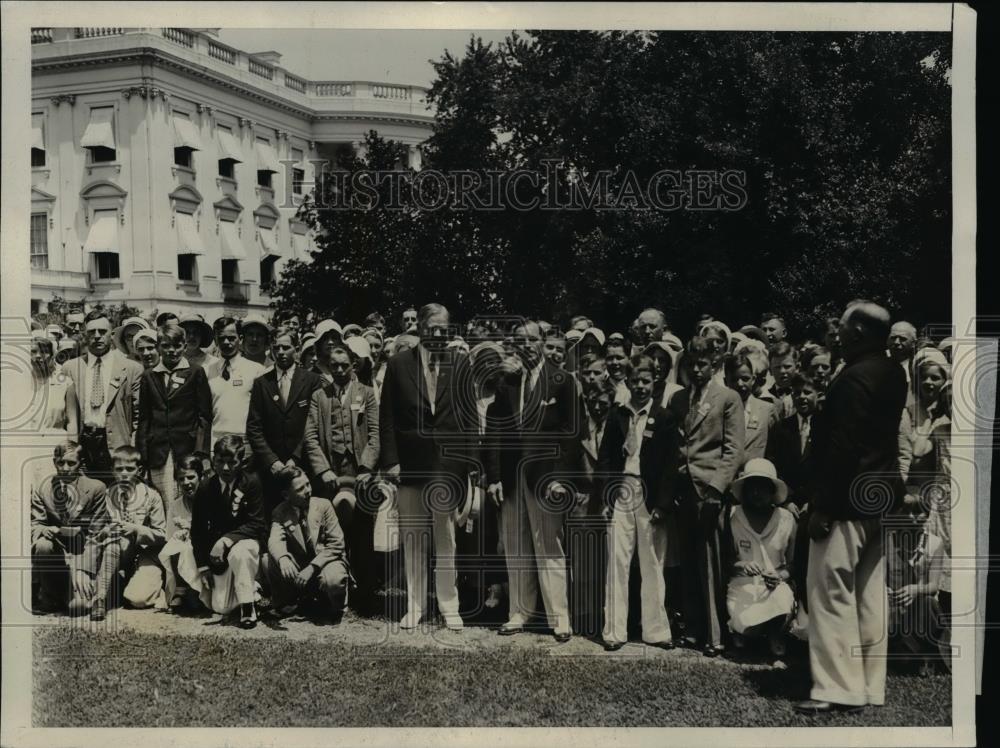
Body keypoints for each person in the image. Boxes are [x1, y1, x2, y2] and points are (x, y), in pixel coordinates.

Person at [794, 301, 907, 715]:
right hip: (880, 497)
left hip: (846, 502)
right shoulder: (894, 372)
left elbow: (842, 448)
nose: (836, 333)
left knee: (830, 592)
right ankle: (870, 686)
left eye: (841, 326)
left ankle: (839, 688)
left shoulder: (852, 378)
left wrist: (823, 506)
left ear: (857, 331)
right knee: (869, 594)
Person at [486, 319, 584, 642]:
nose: (526, 346)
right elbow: (496, 432)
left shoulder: (562, 381)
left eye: (531, 340)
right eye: (519, 341)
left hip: (545, 478)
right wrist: (495, 477)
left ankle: (560, 618)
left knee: (549, 547)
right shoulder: (507, 383)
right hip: (512, 478)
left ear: (543, 341)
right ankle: (519, 612)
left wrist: (561, 478)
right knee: (515, 547)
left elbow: (572, 434)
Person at [379, 303, 474, 631]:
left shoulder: (461, 364)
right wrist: (390, 461)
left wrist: (467, 467)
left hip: (448, 466)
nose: (437, 334)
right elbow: (387, 418)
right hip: (410, 465)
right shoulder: (398, 364)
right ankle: (415, 605)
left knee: (445, 538)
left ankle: (449, 606)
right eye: (431, 327)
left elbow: (469, 420)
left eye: (443, 328)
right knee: (413, 537)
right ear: (418, 326)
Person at [595, 354, 679, 651]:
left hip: (650, 495)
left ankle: (655, 630)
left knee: (652, 562)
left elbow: (671, 466)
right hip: (621, 491)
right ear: (627, 383)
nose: (641, 386)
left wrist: (664, 504)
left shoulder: (665, 417)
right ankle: (614, 631)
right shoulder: (618, 415)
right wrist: (606, 495)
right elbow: (604, 459)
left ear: (655, 381)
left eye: (646, 381)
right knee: (617, 561)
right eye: (635, 381)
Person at [669, 335, 745, 656]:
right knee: (687, 561)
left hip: (709, 489)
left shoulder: (728, 398)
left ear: (714, 364)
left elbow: (733, 450)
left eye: (702, 364)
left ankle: (714, 634)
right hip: (683, 490)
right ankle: (694, 629)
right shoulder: (679, 400)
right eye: (691, 364)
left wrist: (716, 489)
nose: (696, 370)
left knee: (710, 562)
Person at [302, 343, 379, 602]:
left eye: (344, 365)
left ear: (353, 365)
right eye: (333, 365)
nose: (338, 370)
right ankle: (332, 588)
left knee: (362, 530)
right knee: (332, 531)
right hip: (331, 473)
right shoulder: (319, 396)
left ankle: (364, 591)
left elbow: (375, 433)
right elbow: (311, 437)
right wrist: (322, 469)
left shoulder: (366, 394)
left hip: (359, 474)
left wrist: (367, 468)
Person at [72, 446, 167, 621]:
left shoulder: (151, 496)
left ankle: (131, 584)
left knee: (137, 599)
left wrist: (136, 529)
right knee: (113, 542)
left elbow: (162, 535)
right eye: (119, 469)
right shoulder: (107, 495)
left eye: (129, 469)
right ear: (112, 471)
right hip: (115, 552)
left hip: (143, 554)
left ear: (139, 471)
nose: (124, 474)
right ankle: (99, 599)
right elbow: (95, 532)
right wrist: (107, 530)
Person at [724, 458, 797, 667]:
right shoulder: (732, 516)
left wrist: (780, 576)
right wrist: (742, 566)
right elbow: (725, 561)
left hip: (775, 585)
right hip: (742, 586)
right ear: (744, 490)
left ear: (772, 490)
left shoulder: (786, 519)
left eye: (763, 487)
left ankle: (776, 639)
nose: (757, 493)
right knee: (748, 625)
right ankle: (744, 634)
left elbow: (793, 564)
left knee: (782, 601)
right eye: (752, 487)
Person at [246, 327, 324, 520]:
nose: (280, 352)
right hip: (271, 469)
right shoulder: (261, 383)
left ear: (296, 349)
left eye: (286, 347)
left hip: (303, 463)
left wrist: (295, 458)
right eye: (276, 348)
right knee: (272, 517)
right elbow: (254, 427)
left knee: (305, 517)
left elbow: (314, 424)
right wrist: (272, 462)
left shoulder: (312, 381)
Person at [190, 435, 267, 628]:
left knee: (240, 552)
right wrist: (203, 566)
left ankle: (248, 608)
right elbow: (197, 530)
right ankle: (252, 590)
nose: (225, 468)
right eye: (220, 462)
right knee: (222, 607)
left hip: (246, 543)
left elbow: (256, 523)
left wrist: (225, 540)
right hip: (219, 556)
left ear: (241, 462)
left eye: (232, 462)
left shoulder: (252, 482)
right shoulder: (206, 487)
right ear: (213, 460)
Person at [61, 310, 143, 481]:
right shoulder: (71, 367)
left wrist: (133, 450)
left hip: (117, 446)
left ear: (111, 334)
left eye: (102, 331)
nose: (97, 336)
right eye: (91, 332)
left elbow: (138, 417)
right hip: (83, 445)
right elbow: (66, 416)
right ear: (84, 334)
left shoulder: (131, 369)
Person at [136, 324, 212, 508]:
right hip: (159, 450)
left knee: (189, 496)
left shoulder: (195, 372)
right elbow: (144, 418)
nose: (172, 350)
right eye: (166, 345)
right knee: (166, 499)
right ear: (159, 347)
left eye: (177, 345)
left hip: (186, 447)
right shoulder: (149, 376)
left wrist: (201, 451)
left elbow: (204, 415)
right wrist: (142, 454)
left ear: (185, 346)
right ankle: (169, 535)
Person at [262, 466, 350, 622]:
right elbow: (275, 539)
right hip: (301, 565)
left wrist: (312, 568)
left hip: (326, 561)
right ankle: (286, 604)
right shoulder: (280, 512)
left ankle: (335, 603)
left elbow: (337, 544)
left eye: (308, 484)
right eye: (300, 489)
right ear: (286, 495)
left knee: (333, 580)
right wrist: (283, 558)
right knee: (269, 559)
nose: (308, 490)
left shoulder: (324, 505)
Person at [30, 441, 107, 613]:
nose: (65, 468)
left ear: (81, 464)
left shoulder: (96, 488)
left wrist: (83, 569)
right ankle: (50, 598)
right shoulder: (43, 488)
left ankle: (88, 587)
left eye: (71, 463)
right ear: (54, 462)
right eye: (61, 462)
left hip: (83, 551)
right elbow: (36, 524)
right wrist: (45, 530)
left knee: (78, 607)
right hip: (58, 552)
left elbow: (97, 534)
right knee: (43, 544)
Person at [204, 317, 265, 443]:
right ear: (215, 340)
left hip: (246, 442)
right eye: (221, 338)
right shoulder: (206, 371)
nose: (226, 342)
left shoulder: (256, 371)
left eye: (231, 338)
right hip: (215, 442)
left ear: (240, 339)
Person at [766, 372, 820, 512]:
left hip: (817, 504)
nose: (802, 397)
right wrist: (786, 500)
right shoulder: (781, 428)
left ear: (818, 394)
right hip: (787, 504)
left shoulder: (827, 426)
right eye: (797, 393)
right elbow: (773, 465)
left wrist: (813, 501)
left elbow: (829, 468)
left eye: (807, 392)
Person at [158, 453, 204, 611]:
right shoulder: (176, 506)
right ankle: (181, 589)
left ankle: (198, 591)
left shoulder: (210, 501)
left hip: (205, 558)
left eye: (191, 477)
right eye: (181, 479)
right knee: (175, 543)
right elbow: (169, 539)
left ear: (201, 477)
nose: (186, 483)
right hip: (184, 562)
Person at [724, 352, 770, 463]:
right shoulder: (718, 410)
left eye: (745, 379)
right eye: (734, 379)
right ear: (726, 381)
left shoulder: (767, 410)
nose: (740, 384)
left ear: (753, 379)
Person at [29, 336, 77, 434]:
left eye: (43, 352)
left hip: (55, 442)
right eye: (33, 351)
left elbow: (72, 422)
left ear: (52, 356)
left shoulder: (66, 383)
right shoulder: (18, 382)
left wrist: (71, 444)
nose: (38, 356)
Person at [765, 341, 799, 425]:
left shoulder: (803, 394)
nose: (782, 371)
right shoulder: (765, 396)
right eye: (777, 367)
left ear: (797, 367)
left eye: (787, 367)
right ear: (770, 370)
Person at [604, 337, 630, 404]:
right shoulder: (601, 388)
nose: (614, 362)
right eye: (610, 358)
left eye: (619, 358)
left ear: (629, 359)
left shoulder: (637, 386)